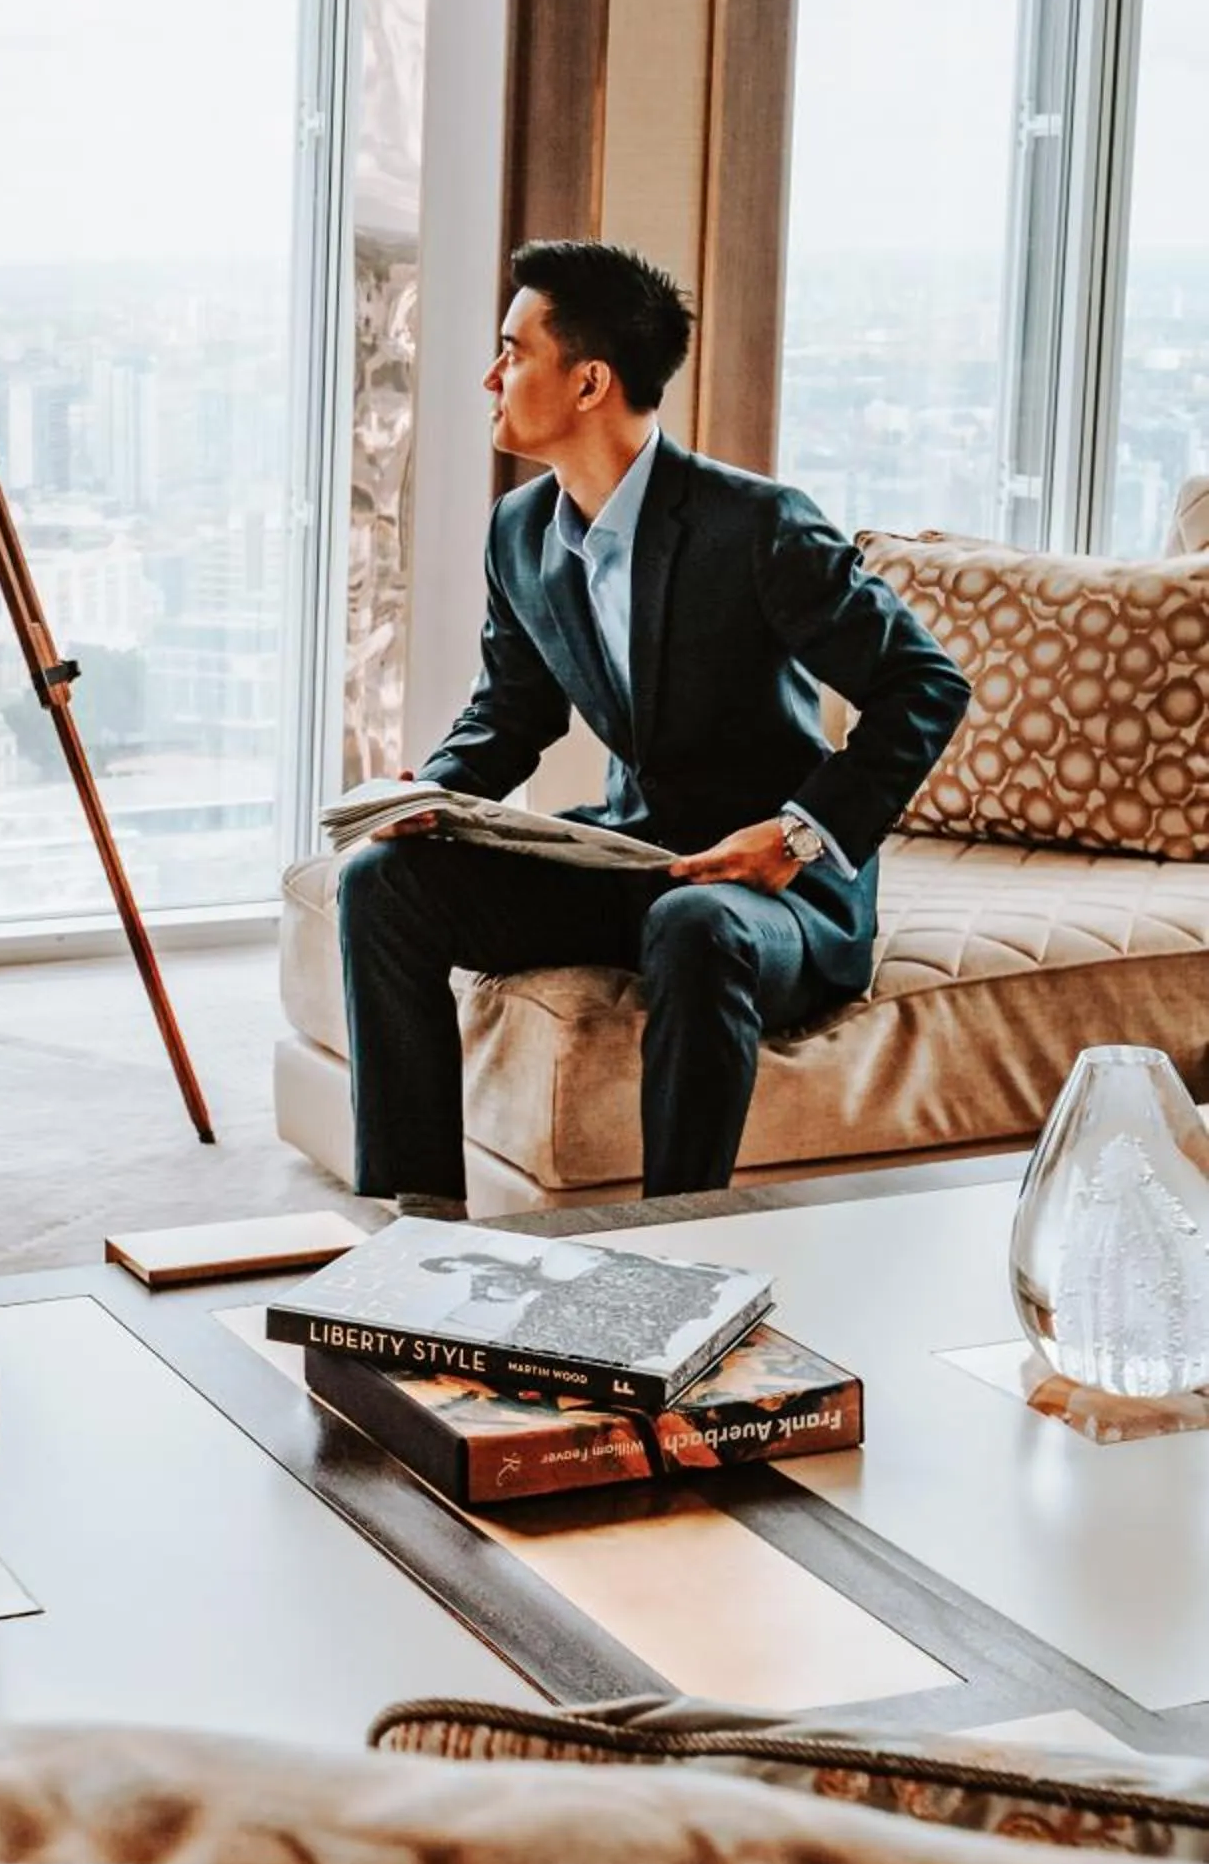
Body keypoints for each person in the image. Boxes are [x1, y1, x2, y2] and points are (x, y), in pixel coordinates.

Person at [339, 238, 971, 1209]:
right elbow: (511, 708)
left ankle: (678, 1239)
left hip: (772, 900)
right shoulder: (520, 531)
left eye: (512, 350)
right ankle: (415, 1223)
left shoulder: (754, 525)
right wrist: (434, 798)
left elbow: (922, 683)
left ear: (588, 381)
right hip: (633, 858)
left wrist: (797, 833)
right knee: (383, 882)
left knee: (694, 923)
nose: (489, 374)